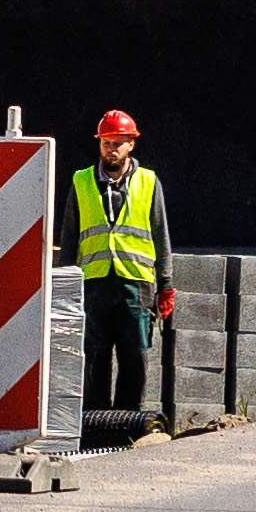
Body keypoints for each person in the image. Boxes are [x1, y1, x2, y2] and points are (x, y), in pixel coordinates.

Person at [70, 110, 171, 440]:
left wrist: (165, 285)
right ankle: (96, 426)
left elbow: (161, 236)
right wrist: (64, 285)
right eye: (105, 143)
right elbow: (69, 237)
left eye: (117, 143)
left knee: (134, 357)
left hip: (136, 285)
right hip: (94, 283)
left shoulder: (149, 182)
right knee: (94, 355)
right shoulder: (81, 181)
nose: (110, 149)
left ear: (131, 144)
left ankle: (128, 427)